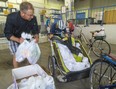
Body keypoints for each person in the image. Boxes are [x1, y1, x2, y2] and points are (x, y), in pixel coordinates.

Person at [4, 2, 39, 68]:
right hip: (14, 38)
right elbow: (7, 33)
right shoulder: (11, 18)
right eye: (30, 15)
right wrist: (18, 40)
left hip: (26, 37)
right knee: (16, 55)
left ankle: (29, 68)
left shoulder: (33, 18)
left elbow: (35, 30)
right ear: (22, 13)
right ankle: (17, 72)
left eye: (32, 15)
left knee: (30, 53)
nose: (32, 17)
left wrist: (36, 37)